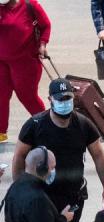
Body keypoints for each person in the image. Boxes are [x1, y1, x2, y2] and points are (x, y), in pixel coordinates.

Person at [12, 78, 104, 222]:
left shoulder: (83, 124)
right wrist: (19, 188)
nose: (64, 103)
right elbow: (19, 156)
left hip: (73, 196)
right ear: (50, 99)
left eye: (67, 98)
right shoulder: (35, 125)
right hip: (44, 196)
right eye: (60, 99)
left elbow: (99, 155)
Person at [0, 0, 50, 144]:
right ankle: (1, 131)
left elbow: (46, 26)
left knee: (27, 96)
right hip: (1, 61)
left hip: (26, 61)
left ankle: (46, 127)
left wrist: (42, 44)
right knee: (1, 96)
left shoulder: (30, 5)